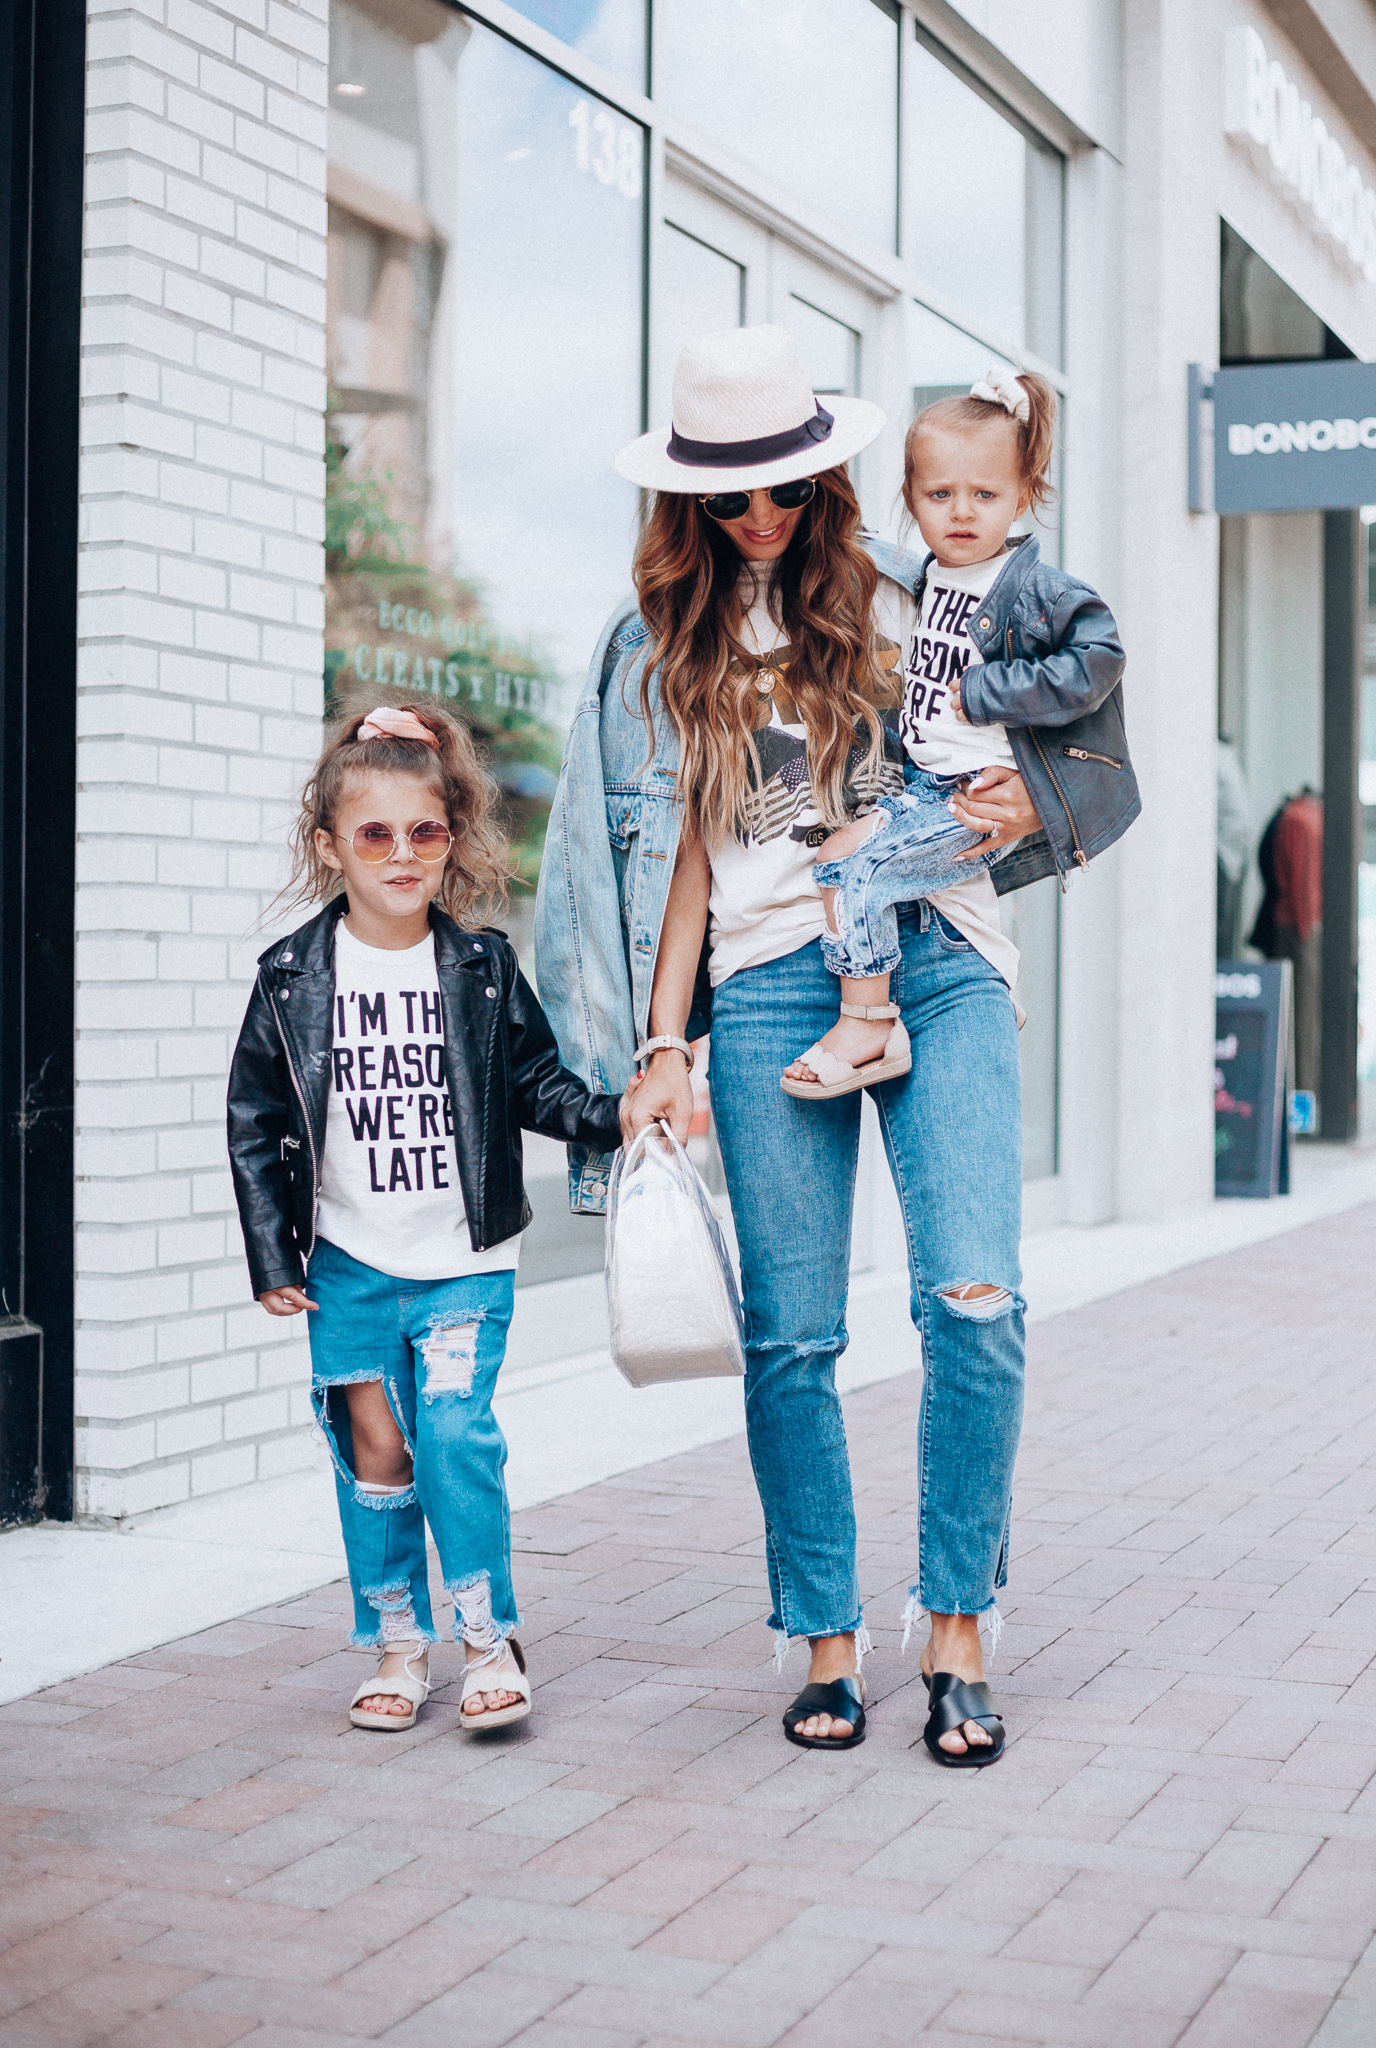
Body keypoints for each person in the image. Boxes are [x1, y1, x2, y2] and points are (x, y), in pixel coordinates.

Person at [537, 324, 1111, 1766]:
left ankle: (961, 1623)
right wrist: (660, 1041)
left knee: (975, 1299)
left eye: (783, 487)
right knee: (793, 1341)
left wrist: (1030, 809)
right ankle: (825, 1638)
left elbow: (1076, 754)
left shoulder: (926, 596)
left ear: (830, 474)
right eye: (726, 499)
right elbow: (671, 857)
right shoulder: (659, 642)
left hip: (942, 962)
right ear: (688, 506)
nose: (758, 519)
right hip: (773, 981)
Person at [227, 695, 624, 1733]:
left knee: (451, 1431)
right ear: (331, 846)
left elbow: (539, 1086)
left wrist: (622, 1112)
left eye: (425, 831)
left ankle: (487, 1635)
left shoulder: (484, 968)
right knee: (376, 1457)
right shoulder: (289, 977)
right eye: (374, 833)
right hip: (347, 1264)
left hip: (462, 1259)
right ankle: (400, 1641)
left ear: (454, 837)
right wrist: (274, 1249)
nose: (402, 854)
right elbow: (255, 1120)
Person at [783, 367, 1123, 1100]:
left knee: (857, 873)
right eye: (941, 495)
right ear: (911, 499)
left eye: (986, 495)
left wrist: (988, 690)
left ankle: (871, 1022)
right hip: (927, 787)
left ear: (1024, 498)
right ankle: (968, 986)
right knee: (840, 854)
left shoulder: (1033, 587)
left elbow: (1100, 658)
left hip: (970, 798)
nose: (962, 512)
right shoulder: (930, 577)